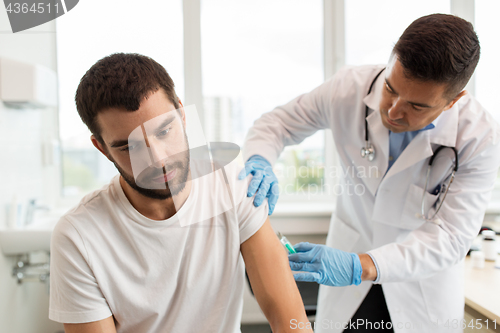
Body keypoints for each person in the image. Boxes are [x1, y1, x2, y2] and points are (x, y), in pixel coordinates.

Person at [239, 14, 500, 333]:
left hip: (420, 288)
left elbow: (451, 237)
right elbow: (277, 124)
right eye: (391, 88)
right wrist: (259, 160)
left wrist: (360, 265)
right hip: (350, 282)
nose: (393, 111)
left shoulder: (479, 137)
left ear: (452, 101)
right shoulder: (348, 88)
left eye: (416, 106)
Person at [49, 53, 313, 333]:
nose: (159, 160)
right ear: (102, 148)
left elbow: (290, 321)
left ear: (182, 114)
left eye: (164, 131)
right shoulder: (78, 236)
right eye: (130, 147)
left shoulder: (230, 184)